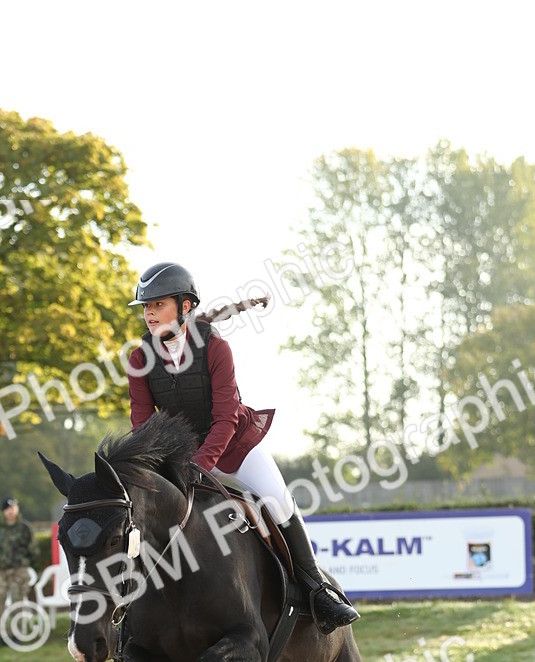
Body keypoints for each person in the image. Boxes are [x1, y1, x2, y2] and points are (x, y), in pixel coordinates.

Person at [125, 261, 359, 634]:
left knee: (276, 499)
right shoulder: (139, 360)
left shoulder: (216, 348)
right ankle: (131, 612)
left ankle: (317, 589)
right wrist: (156, 468)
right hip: (180, 458)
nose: (149, 314)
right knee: (139, 514)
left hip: (234, 447)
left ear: (186, 306)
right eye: (146, 308)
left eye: (158, 305)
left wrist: (199, 465)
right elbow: (143, 425)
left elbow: (226, 418)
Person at [0, 496, 35, 642]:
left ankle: (18, 635)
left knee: (17, 602)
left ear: (17, 508)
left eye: (13, 507)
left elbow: (33, 550)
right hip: (1, 571)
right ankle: (3, 635)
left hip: (19, 570)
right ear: (3, 512)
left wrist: (25, 564)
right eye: (7, 509)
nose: (11, 511)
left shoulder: (25, 528)